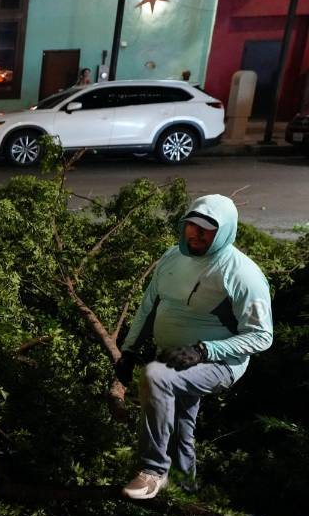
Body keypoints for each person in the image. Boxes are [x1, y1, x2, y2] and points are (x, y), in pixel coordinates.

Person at [116, 195, 273, 499]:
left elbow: (261, 336)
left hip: (220, 363)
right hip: (174, 356)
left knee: (156, 377)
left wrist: (203, 351)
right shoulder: (171, 257)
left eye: (207, 230)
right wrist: (129, 350)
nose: (196, 234)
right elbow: (149, 306)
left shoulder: (243, 274)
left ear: (225, 232)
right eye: (192, 226)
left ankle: (153, 472)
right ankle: (183, 490)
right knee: (179, 425)